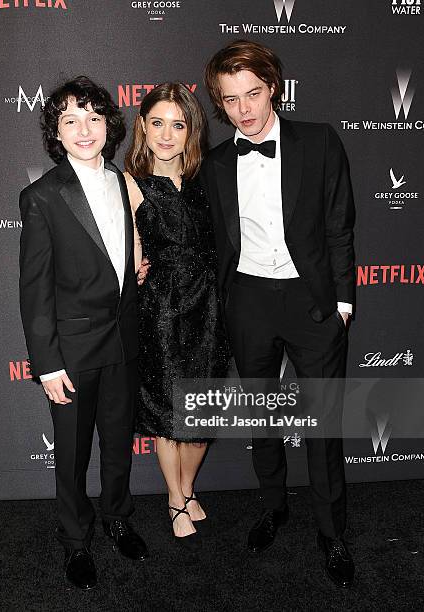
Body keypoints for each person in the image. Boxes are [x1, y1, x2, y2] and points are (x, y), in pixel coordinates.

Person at [200, 40, 356, 588]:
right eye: (231, 100)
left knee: (323, 421)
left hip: (310, 300)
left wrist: (341, 304)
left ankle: (331, 531)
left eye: (253, 94)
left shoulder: (318, 142)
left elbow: (339, 225)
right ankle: (273, 506)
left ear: (274, 88)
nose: (244, 109)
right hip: (248, 299)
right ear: (219, 104)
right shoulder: (217, 163)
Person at [19, 76, 148, 591]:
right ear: (56, 131)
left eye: (94, 117)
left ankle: (118, 519)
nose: (84, 128)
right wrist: (47, 364)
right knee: (71, 454)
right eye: (70, 120)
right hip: (71, 353)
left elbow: (124, 250)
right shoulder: (42, 197)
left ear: (109, 125)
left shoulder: (122, 180)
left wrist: (138, 265)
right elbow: (34, 290)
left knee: (118, 445)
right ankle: (76, 542)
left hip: (123, 343)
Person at [124, 83, 229, 548]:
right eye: (158, 123)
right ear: (143, 128)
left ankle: (186, 489)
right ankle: (176, 497)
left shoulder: (209, 178)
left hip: (208, 305)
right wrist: (136, 267)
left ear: (191, 131)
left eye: (178, 124)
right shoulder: (129, 183)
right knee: (170, 411)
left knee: (201, 412)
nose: (167, 134)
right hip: (162, 309)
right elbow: (124, 250)